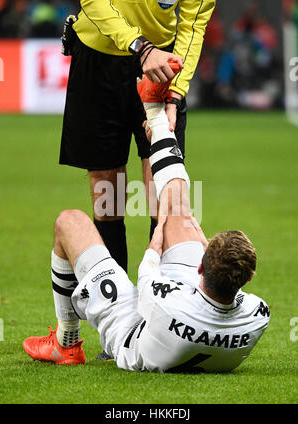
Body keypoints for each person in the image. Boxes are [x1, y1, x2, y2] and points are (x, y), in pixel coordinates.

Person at [23, 74, 270, 373]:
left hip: (133, 331)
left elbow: (146, 277)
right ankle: (155, 113)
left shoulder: (165, 301)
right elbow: (225, 285)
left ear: (201, 267)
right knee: (180, 208)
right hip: (190, 307)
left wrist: (157, 242)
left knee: (69, 222)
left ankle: (66, 343)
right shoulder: (257, 315)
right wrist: (191, 228)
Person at [59, 0, 216, 274]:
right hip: (100, 54)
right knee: (106, 187)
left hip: (160, 65)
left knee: (162, 186)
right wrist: (140, 47)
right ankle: (114, 303)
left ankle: (160, 299)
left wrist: (176, 93)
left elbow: (193, 24)